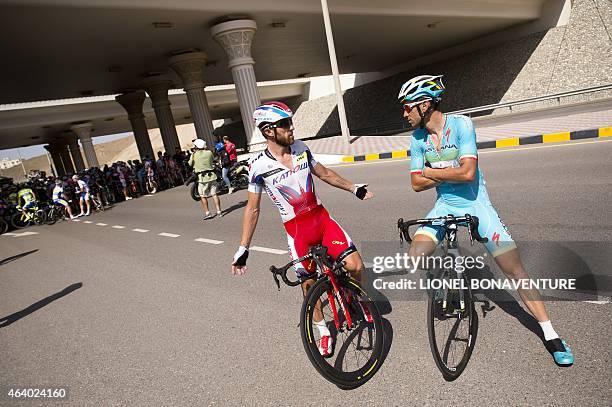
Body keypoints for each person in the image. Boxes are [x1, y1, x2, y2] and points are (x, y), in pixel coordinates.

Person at [398, 74, 573, 366]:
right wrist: (439, 174)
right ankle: (447, 283)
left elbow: (466, 174)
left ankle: (551, 334)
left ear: (425, 104)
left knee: (515, 272)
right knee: (415, 255)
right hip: (444, 206)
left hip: (477, 205)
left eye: (407, 107)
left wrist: (429, 172)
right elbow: (415, 185)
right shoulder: (417, 140)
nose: (404, 114)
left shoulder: (462, 125)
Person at [230, 101, 373, 357]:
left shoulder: (301, 148)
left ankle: (355, 300)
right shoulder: (258, 166)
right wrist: (243, 248)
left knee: (356, 266)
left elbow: (325, 173)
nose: (291, 127)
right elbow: (252, 209)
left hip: (322, 220)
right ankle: (324, 332)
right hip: (298, 232)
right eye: (285, 124)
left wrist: (354, 188)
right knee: (309, 286)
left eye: (290, 121)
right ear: (268, 131)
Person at [188, 138, 223, 220]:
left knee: (203, 196)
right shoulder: (209, 152)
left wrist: (193, 154)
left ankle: (208, 213)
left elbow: (190, 164)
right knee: (214, 194)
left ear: (196, 146)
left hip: (202, 178)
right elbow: (212, 161)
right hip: (212, 176)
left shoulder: (194, 154)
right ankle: (219, 211)